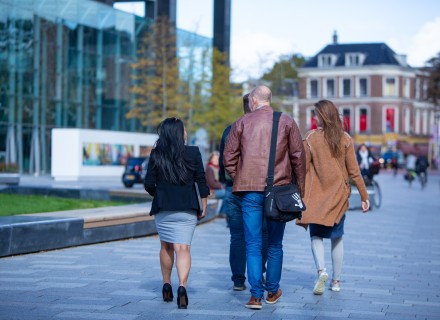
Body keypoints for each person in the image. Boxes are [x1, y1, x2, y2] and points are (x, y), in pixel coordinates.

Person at [224, 85, 306, 309]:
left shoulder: (241, 122)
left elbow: (228, 157)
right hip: (279, 192)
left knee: (252, 244)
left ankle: (255, 296)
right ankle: (272, 291)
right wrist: (299, 188)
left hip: (250, 192)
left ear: (252, 100)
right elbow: (298, 157)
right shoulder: (287, 121)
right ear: (269, 99)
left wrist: (240, 177)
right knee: (275, 244)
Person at [299, 100, 369, 295]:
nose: (313, 117)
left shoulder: (311, 138)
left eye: (315, 114)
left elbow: (302, 169)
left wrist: (299, 193)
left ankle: (322, 270)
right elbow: (354, 171)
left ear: (322, 116)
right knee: (337, 237)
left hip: (316, 196)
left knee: (316, 235)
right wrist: (364, 196)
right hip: (338, 196)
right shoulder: (345, 138)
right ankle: (336, 281)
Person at [144, 117, 209, 309]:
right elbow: (201, 181)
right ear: (180, 133)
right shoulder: (193, 152)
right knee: (183, 249)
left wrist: (161, 194)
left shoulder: (156, 154)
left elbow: (149, 184)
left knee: (166, 247)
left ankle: (166, 285)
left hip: (164, 208)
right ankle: (182, 287)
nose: (186, 132)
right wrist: (203, 204)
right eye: (184, 129)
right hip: (187, 207)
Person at [219, 93, 268, 292]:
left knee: (237, 236)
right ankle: (259, 275)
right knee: (262, 233)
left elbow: (225, 160)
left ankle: (238, 279)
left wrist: (230, 180)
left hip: (234, 188)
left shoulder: (230, 129)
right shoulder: (264, 128)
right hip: (260, 187)